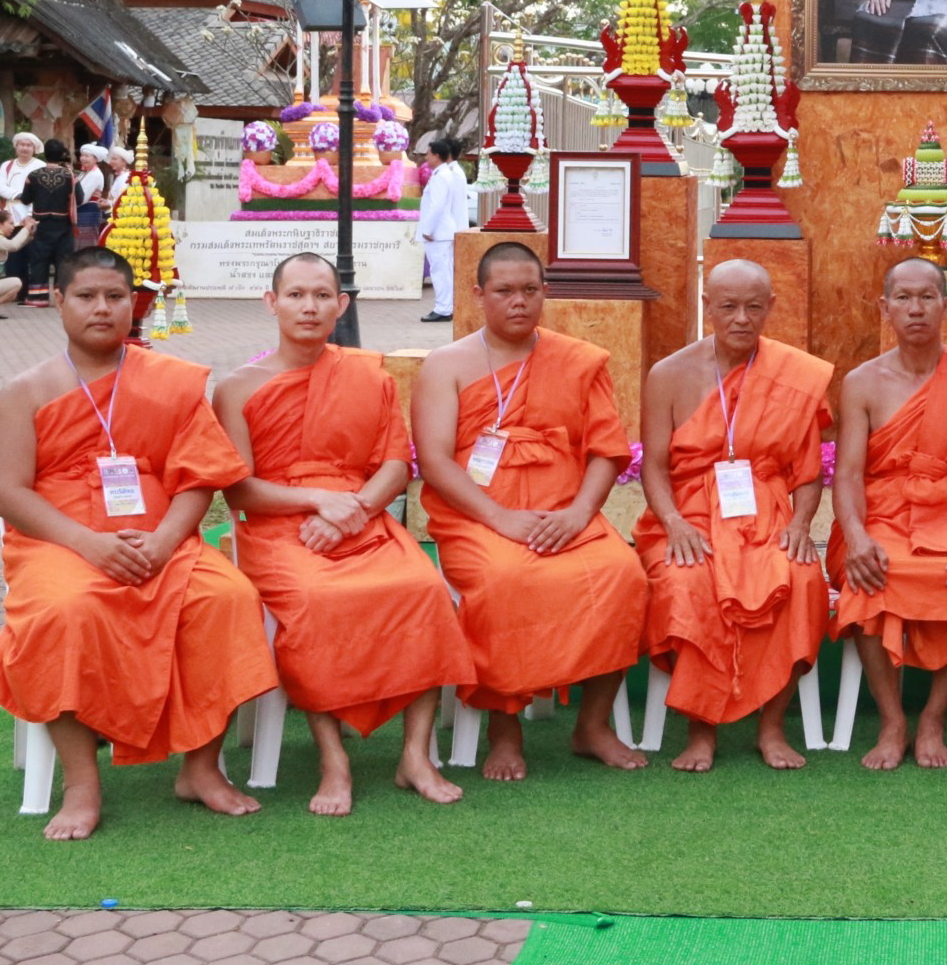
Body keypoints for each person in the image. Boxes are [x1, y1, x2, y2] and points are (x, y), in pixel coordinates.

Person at [0, 247, 278, 839]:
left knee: (224, 600)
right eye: (86, 296)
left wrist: (167, 541)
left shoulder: (169, 382)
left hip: (161, 540)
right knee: (63, 612)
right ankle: (82, 782)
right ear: (59, 301)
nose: (102, 309)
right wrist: (89, 545)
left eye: (115, 297)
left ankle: (201, 767)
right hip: (60, 544)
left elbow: (200, 477)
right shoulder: (26, 391)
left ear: (133, 305)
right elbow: (10, 494)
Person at [215, 251, 476, 815]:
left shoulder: (368, 375)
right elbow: (238, 489)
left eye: (321, 295)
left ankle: (415, 756)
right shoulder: (236, 389)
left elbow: (393, 465)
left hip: (361, 518)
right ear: (272, 303)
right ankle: (334, 760)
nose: (309, 306)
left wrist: (351, 509)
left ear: (342, 304)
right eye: (295, 295)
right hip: (278, 529)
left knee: (423, 590)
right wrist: (319, 501)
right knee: (318, 601)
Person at [409, 240, 649, 780]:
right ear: (478, 295)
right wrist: (500, 519)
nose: (518, 301)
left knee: (622, 575)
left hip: (564, 512)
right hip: (477, 516)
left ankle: (591, 725)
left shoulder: (579, 361)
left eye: (529, 290)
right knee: (502, 582)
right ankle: (505, 730)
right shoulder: (446, 365)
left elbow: (607, 451)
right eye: (504, 291)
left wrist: (580, 514)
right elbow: (437, 461)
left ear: (545, 292)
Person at [829, 257, 947, 769]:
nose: (915, 309)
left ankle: (934, 717)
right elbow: (848, 474)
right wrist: (855, 536)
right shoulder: (863, 382)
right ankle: (893, 720)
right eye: (903, 298)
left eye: (927, 298)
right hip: (886, 512)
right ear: (885, 307)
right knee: (869, 579)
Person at [638, 259, 832, 773]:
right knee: (687, 582)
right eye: (727, 307)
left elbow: (808, 473)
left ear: (771, 307)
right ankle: (701, 730)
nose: (741, 318)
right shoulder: (669, 375)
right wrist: (674, 523)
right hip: (690, 515)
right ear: (707, 308)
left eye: (753, 307)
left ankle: (772, 728)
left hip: (767, 514)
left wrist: (799, 526)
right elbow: (653, 467)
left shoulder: (796, 375)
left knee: (801, 577)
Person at [418, 137, 471, 324]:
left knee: (440, 271)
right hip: (443, 231)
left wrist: (427, 229)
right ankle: (446, 306)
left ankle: (443, 308)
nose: (426, 157)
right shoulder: (444, 173)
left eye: (428, 153)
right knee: (444, 270)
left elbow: (438, 206)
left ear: (437, 155)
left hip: (439, 232)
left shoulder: (443, 175)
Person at [20, 140, 78, 307]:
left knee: (39, 260)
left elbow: (25, 199)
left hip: (42, 224)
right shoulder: (70, 176)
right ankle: (63, 297)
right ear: (62, 155)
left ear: (44, 154)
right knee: (64, 260)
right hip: (64, 224)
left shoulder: (33, 175)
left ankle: (38, 297)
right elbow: (79, 198)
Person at [0, 132, 39, 293]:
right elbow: (0, 187)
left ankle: (30, 290)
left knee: (31, 253)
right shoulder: (7, 165)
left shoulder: (39, 165)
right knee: (13, 254)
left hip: (32, 215)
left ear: (34, 148)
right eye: (21, 144)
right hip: (11, 216)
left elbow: (40, 191)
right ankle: (12, 290)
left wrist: (29, 203)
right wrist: (20, 195)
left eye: (28, 145)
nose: (24, 148)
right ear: (16, 147)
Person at [75, 145, 108, 250]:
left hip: (88, 212)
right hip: (81, 212)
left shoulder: (95, 174)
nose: (83, 158)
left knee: (86, 245)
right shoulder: (84, 173)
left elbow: (82, 198)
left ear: (95, 159)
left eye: (87, 156)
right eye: (82, 155)